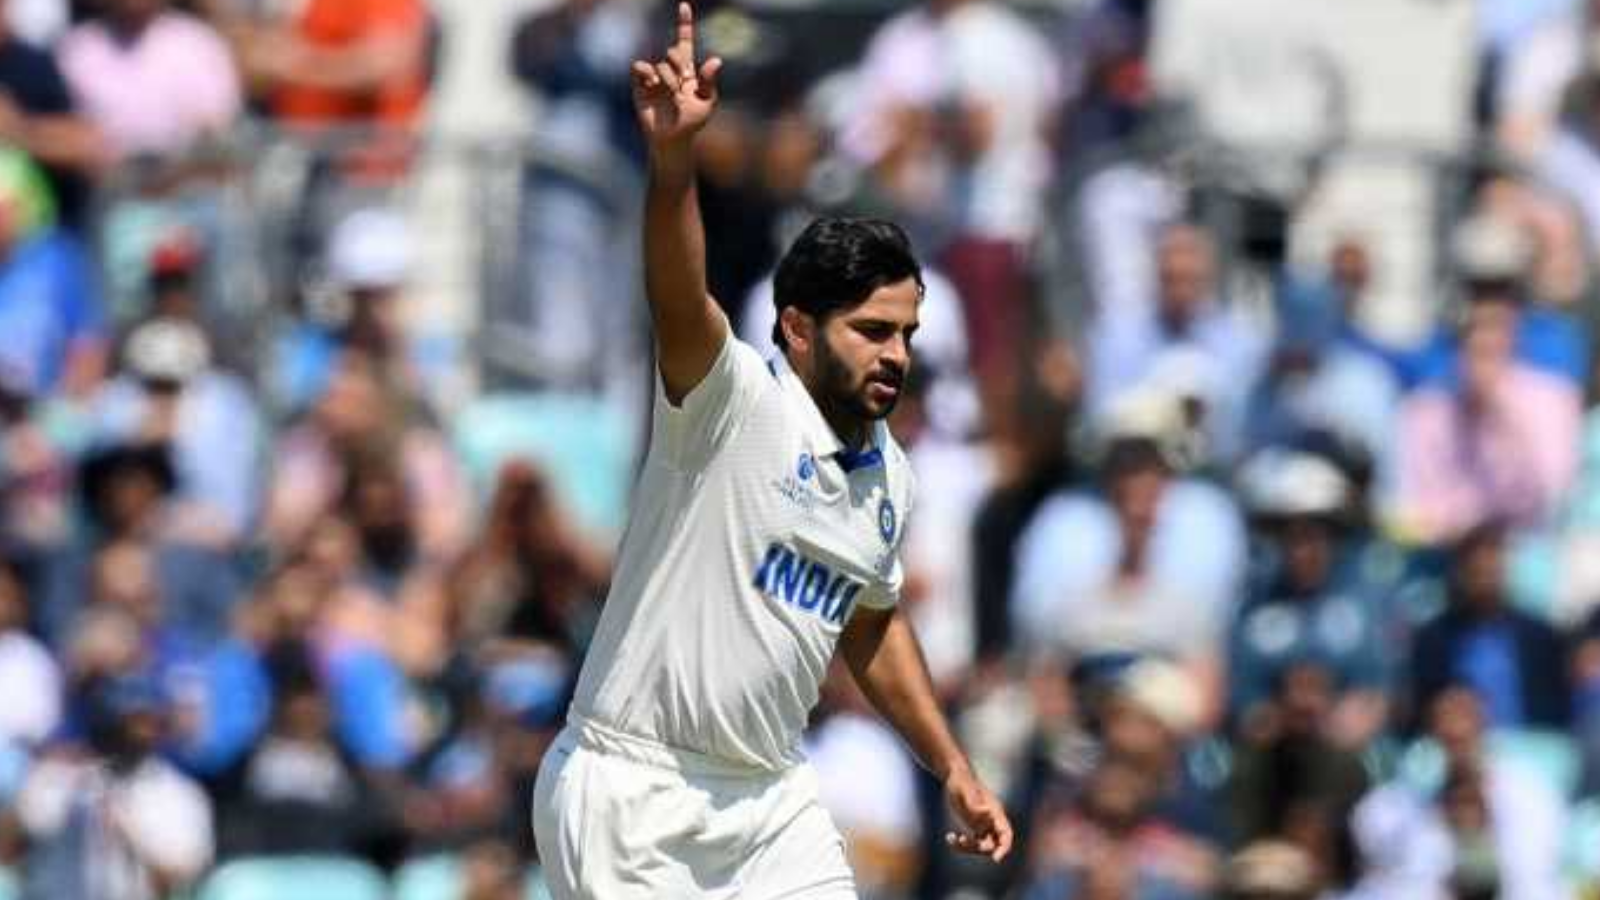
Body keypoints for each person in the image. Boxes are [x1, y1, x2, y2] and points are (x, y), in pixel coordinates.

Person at [531, 5, 1013, 897]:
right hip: (635, 786)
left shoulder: (886, 479)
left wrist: (950, 764)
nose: (895, 355)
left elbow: (870, 621)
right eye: (871, 331)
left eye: (905, 333)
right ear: (796, 329)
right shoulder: (728, 404)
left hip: (767, 795)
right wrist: (673, 164)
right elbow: (679, 294)